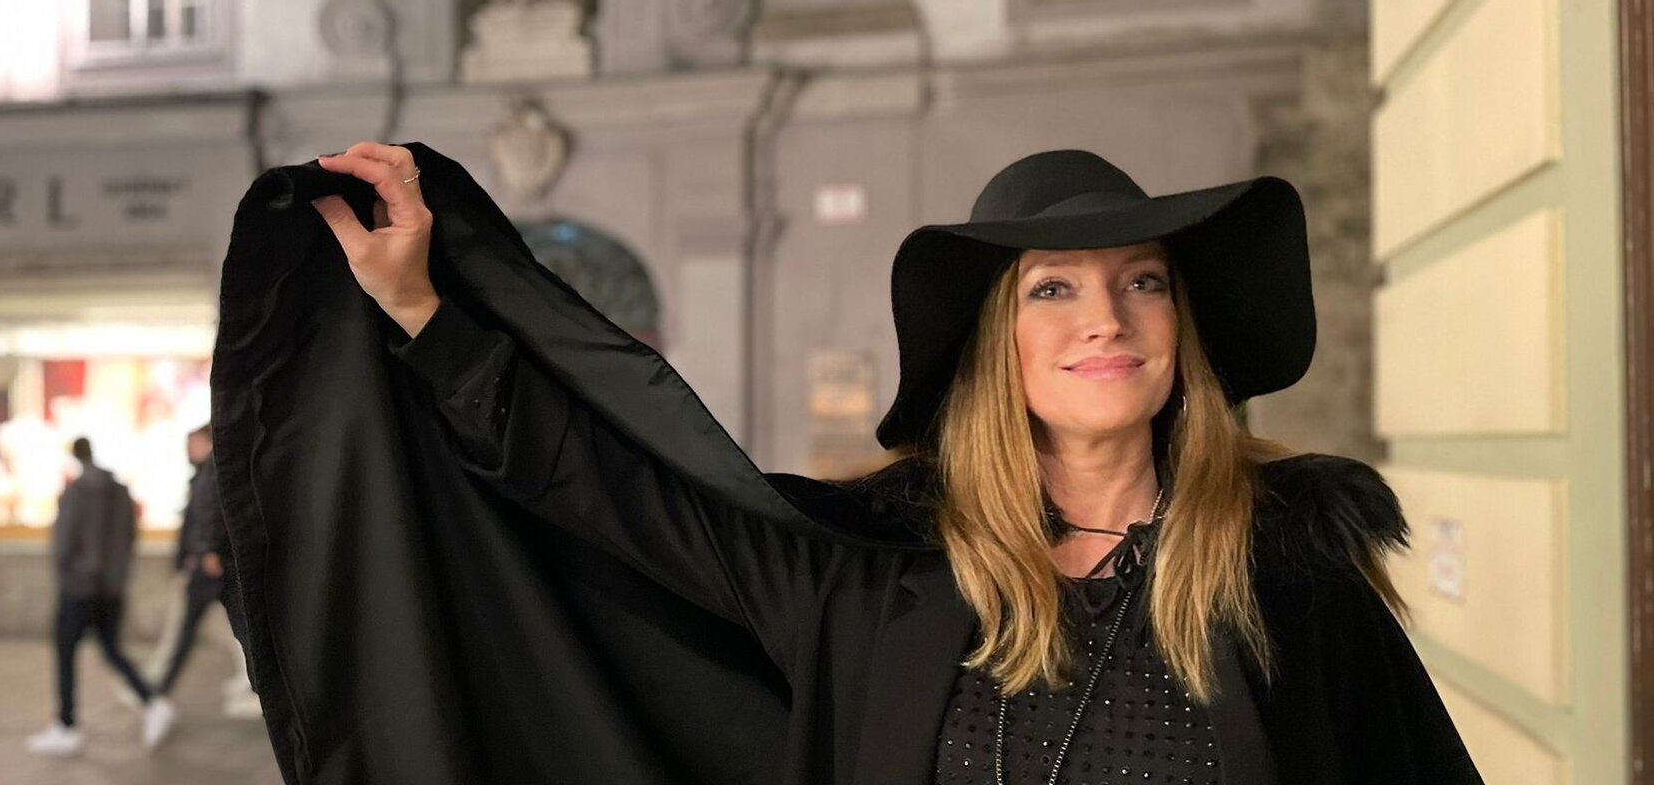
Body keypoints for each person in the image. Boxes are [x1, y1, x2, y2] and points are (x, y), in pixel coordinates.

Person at [213, 142, 1478, 783]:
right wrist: (428, 315)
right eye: (1052, 289)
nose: (1105, 318)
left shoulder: (1290, 583)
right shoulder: (874, 577)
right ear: (993, 347)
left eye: (1142, 282)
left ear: (1179, 330)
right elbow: (623, 494)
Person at [26, 437, 175, 757]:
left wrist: (69, 574)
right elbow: (131, 537)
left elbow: (64, 542)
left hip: (79, 589)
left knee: (67, 653)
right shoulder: (120, 492)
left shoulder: (77, 492)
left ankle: (66, 725)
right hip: (111, 588)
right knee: (111, 649)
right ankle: (151, 701)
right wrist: (115, 577)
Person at [153, 424, 231, 699]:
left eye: (193, 444)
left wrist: (206, 551)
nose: (189, 450)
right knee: (188, 631)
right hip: (202, 563)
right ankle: (161, 685)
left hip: (207, 566)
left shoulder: (211, 471)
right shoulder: (204, 473)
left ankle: (161, 687)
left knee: (186, 631)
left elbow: (209, 514)